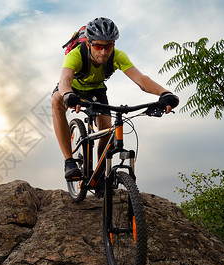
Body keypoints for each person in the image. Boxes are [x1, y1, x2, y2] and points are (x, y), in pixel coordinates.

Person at [52, 17, 179, 181]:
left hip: (96, 90)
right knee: (56, 100)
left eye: (109, 46)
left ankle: (99, 175)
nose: (104, 52)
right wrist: (68, 95)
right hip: (73, 89)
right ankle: (69, 162)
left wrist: (164, 93)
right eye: (98, 46)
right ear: (89, 44)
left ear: (113, 45)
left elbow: (141, 79)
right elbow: (65, 80)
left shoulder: (118, 56)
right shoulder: (76, 55)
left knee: (106, 127)